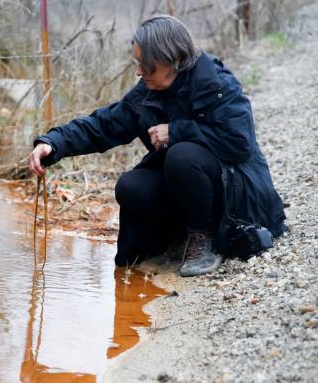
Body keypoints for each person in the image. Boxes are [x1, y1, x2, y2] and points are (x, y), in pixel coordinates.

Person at [28, 15, 287, 277]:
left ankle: (205, 241)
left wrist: (175, 131)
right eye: (137, 62)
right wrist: (52, 143)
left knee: (181, 155)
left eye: (146, 65)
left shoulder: (217, 84)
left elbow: (239, 143)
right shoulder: (148, 92)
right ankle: (180, 239)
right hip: (197, 188)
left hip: (238, 195)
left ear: (173, 60)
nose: (139, 72)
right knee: (130, 186)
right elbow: (103, 124)